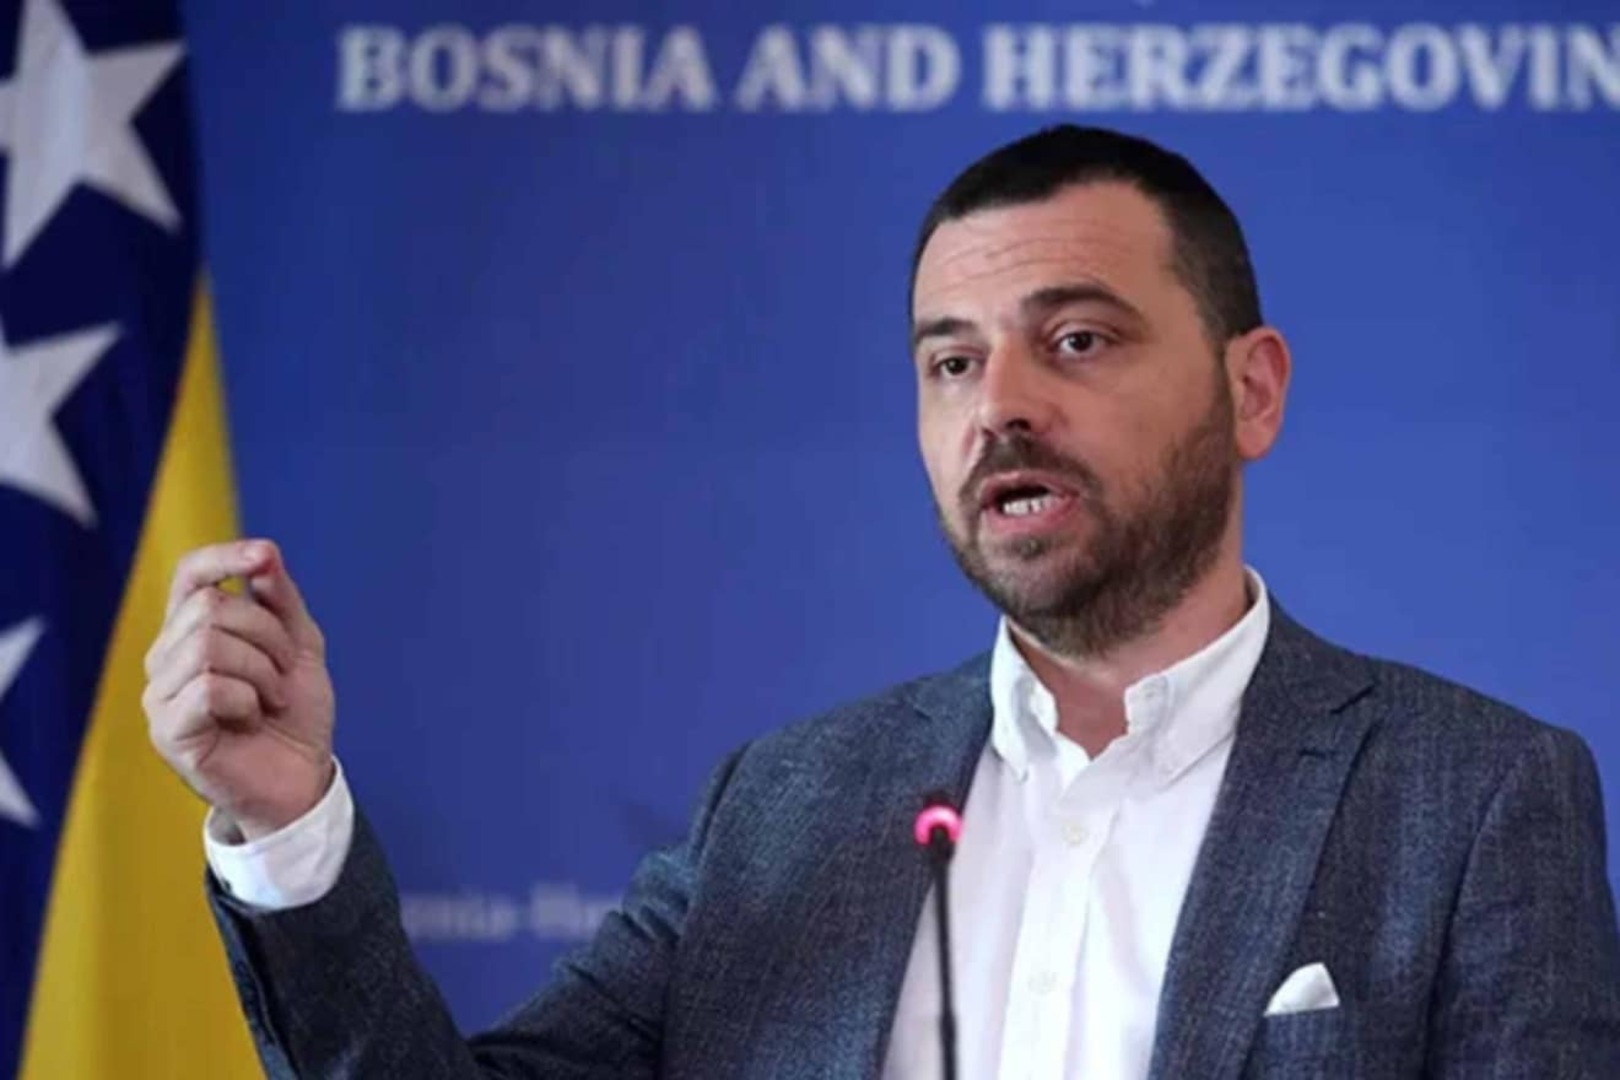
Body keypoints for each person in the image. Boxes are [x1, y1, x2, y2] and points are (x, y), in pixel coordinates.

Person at [144, 125, 1620, 1078]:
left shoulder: (1475, 796)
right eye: (951, 362)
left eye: (1078, 340)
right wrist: (287, 820)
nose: (1002, 406)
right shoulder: (785, 808)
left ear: (1253, 391)